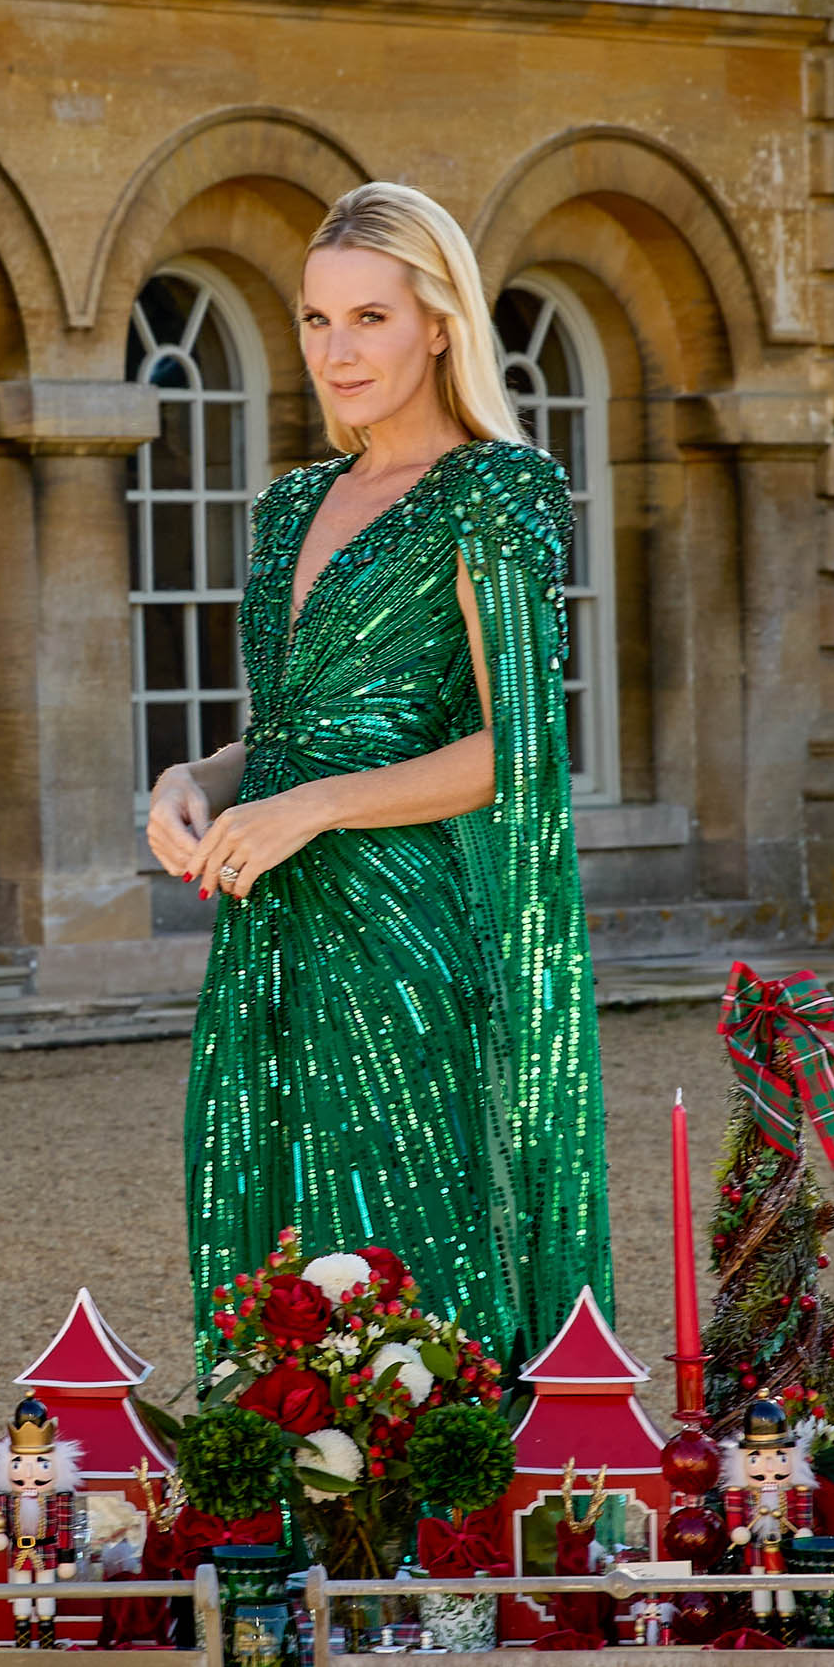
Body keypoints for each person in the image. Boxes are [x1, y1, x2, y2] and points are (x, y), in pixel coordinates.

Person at [146, 182, 613, 1375]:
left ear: (439, 324)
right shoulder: (292, 501)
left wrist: (312, 808)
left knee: (403, 1254)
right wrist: (193, 777)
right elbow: (294, 729)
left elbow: (518, 752)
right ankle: (282, 1538)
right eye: (314, 321)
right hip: (268, 932)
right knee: (270, 1260)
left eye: (369, 318)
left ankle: (429, 1541)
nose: (336, 351)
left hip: (400, 935)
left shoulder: (492, 491)